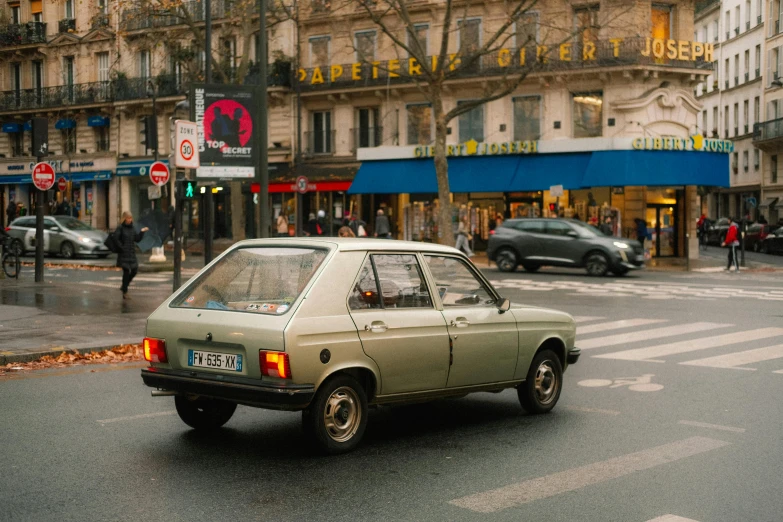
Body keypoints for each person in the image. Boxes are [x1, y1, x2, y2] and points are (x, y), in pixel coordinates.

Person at [113, 212, 148, 299]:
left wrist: (142, 232)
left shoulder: (132, 228)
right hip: (123, 254)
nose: (129, 220)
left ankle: (124, 286)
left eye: (131, 218)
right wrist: (122, 247)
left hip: (131, 253)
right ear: (124, 218)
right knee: (126, 272)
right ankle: (125, 291)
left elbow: (137, 239)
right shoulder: (120, 228)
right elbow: (115, 239)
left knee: (134, 270)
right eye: (128, 218)